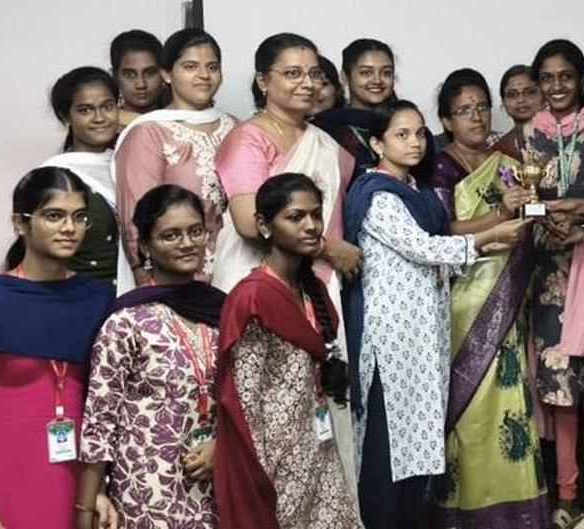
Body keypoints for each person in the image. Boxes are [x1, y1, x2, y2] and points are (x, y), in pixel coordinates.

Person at [342, 100, 529, 528]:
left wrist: (489, 238)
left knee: (419, 444)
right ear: (376, 143)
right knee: (387, 448)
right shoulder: (377, 193)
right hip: (390, 342)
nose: (415, 142)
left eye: (421, 133)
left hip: (424, 335)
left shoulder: (415, 188)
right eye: (402, 135)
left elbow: (440, 243)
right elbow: (423, 248)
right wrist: (487, 239)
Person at [211, 32, 361, 495]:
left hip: (315, 293)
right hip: (260, 290)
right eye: (292, 73)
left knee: (320, 413)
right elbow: (247, 223)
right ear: (263, 80)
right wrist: (330, 248)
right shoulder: (247, 140)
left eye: (314, 73)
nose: (307, 83)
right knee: (265, 416)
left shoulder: (331, 147)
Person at [0, 167, 114, 528]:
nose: (69, 228)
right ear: (20, 223)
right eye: (54, 216)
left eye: (80, 217)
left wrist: (97, 489)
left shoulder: (97, 299)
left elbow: (103, 407)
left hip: (72, 485)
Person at [426, 68, 548, 528]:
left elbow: (529, 210)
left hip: (510, 293)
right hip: (466, 299)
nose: (476, 117)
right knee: (473, 408)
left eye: (481, 107)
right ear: (446, 120)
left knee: (511, 399)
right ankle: (469, 510)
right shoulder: (439, 165)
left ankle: (517, 508)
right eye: (464, 110)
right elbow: (443, 230)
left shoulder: (508, 157)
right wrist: (499, 213)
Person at [518, 38, 584, 529]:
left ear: (582, 76)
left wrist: (581, 227)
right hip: (548, 276)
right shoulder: (531, 134)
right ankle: (566, 498)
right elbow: (529, 201)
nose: (556, 86)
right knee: (559, 391)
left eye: (566, 76)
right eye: (547, 78)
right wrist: (540, 216)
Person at [213, 173, 360, 528]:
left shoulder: (314, 291)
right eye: (295, 217)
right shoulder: (252, 297)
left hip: (319, 445)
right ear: (264, 225)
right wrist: (257, 472)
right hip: (275, 460)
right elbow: (243, 401)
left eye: (315, 215)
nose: (311, 226)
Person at [76, 185, 224, 529]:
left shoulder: (222, 310)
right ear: (145, 245)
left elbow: (242, 399)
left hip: (215, 483)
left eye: (195, 231)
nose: (187, 243)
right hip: (147, 491)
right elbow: (100, 422)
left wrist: (221, 447)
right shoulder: (127, 320)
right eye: (171, 235)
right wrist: (88, 505)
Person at [113, 28, 235, 294]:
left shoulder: (236, 128)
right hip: (175, 282)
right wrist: (146, 283)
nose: (204, 75)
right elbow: (138, 215)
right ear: (167, 74)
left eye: (212, 67)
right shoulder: (149, 132)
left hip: (236, 272)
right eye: (191, 66)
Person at [42, 67, 121, 286]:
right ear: (67, 116)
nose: (99, 118)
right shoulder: (55, 174)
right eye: (86, 110)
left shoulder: (128, 162)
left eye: (107, 107)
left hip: (133, 296)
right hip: (78, 296)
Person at [311, 38, 397, 181]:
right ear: (345, 77)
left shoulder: (407, 126)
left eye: (386, 73)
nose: (377, 80)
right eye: (366, 73)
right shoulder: (326, 128)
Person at [109, 29, 164, 127]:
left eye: (149, 73)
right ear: (115, 75)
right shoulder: (105, 129)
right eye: (130, 75)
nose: (141, 84)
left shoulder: (181, 124)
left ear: (164, 73)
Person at [494, 64, 542, 155]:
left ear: (543, 96)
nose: (521, 100)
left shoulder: (561, 139)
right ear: (503, 102)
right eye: (512, 94)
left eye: (530, 92)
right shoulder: (498, 150)